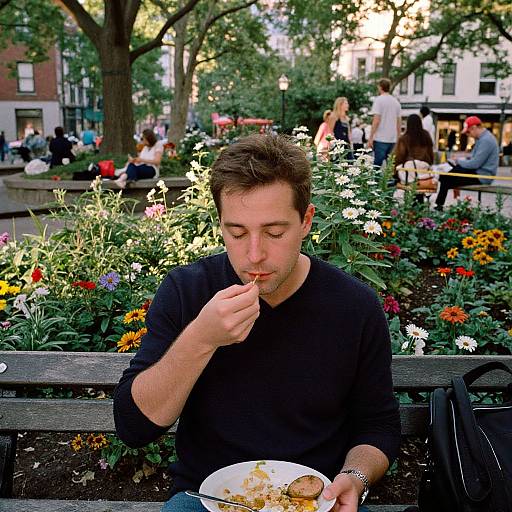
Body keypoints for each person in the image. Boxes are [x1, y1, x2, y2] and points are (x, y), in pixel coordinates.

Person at [113, 134, 401, 512]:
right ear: (220, 225)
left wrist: (356, 478)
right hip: (205, 497)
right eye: (237, 232)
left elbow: (378, 426)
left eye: (274, 232)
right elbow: (135, 429)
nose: (254, 255)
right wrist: (201, 338)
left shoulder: (354, 306)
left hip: (315, 501)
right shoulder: (187, 291)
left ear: (306, 221)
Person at [435, 116, 499, 210]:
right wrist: (460, 159)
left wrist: (458, 161)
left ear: (474, 128)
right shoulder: (483, 138)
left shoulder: (486, 140)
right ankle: (439, 205)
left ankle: (439, 205)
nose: (469, 135)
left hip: (482, 176)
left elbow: (474, 163)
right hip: (480, 173)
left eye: (468, 132)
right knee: (448, 175)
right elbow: (473, 158)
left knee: (446, 176)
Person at [393, 114, 435, 202]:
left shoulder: (404, 138)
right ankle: (419, 207)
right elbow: (431, 156)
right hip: (423, 173)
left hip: (409, 174)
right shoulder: (426, 136)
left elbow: (398, 158)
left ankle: (411, 209)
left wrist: (394, 173)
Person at [368, 78, 401, 168]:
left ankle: (377, 182)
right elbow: (398, 123)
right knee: (390, 166)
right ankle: (390, 182)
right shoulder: (396, 102)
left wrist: (371, 137)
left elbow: (376, 120)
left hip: (380, 138)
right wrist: (398, 138)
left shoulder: (379, 100)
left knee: (377, 167)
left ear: (380, 87)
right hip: (392, 139)